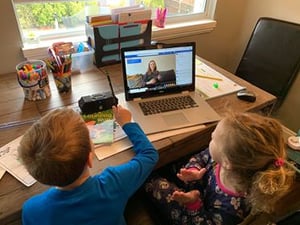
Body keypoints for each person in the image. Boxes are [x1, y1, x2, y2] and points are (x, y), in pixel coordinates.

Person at [145, 112, 297, 225]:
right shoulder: (230, 161)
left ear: (227, 162)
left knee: (153, 182)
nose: (211, 135)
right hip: (198, 189)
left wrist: (193, 203)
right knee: (176, 165)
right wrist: (193, 170)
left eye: (214, 139)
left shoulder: (231, 209)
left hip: (195, 213)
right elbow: (202, 157)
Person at [18, 106, 159, 225]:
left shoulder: (31, 210)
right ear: (90, 159)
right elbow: (149, 155)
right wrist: (127, 124)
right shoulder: (114, 183)